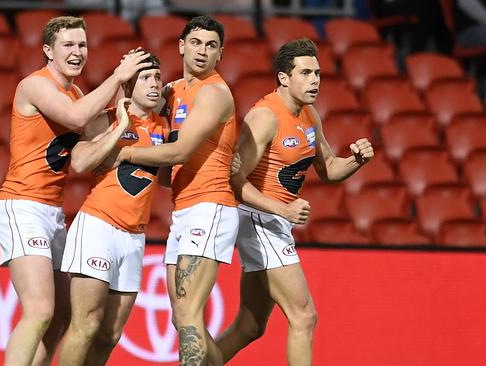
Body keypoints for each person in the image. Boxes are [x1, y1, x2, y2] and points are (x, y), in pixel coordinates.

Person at [0, 15, 151, 366]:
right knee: (40, 310)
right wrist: (117, 77)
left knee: (62, 317)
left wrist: (127, 115)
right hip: (22, 206)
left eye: (82, 45)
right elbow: (77, 118)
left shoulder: (77, 92)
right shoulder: (34, 85)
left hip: (53, 211)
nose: (77, 51)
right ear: (48, 50)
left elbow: (86, 156)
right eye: (68, 45)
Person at [215, 38, 374, 365]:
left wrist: (356, 160)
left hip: (274, 220)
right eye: (305, 73)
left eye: (317, 73)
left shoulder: (309, 114)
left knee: (250, 326)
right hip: (258, 218)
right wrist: (282, 209)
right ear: (284, 78)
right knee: (304, 316)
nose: (315, 80)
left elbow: (328, 168)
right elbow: (234, 180)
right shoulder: (265, 117)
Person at [109, 15, 238, 366]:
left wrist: (126, 152)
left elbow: (180, 152)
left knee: (190, 314)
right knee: (181, 319)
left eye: (211, 45)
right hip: (184, 209)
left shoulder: (214, 93)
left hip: (210, 206)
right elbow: (168, 173)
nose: (202, 51)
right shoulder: (172, 92)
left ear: (220, 54)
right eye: (196, 42)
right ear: (181, 46)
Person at [57, 55, 169, 366]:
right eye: (146, 78)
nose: (155, 83)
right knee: (86, 324)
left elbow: (168, 181)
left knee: (110, 335)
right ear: (128, 84)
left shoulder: (164, 126)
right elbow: (79, 162)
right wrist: (120, 127)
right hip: (98, 227)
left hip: (134, 238)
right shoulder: (105, 119)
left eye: (158, 77)